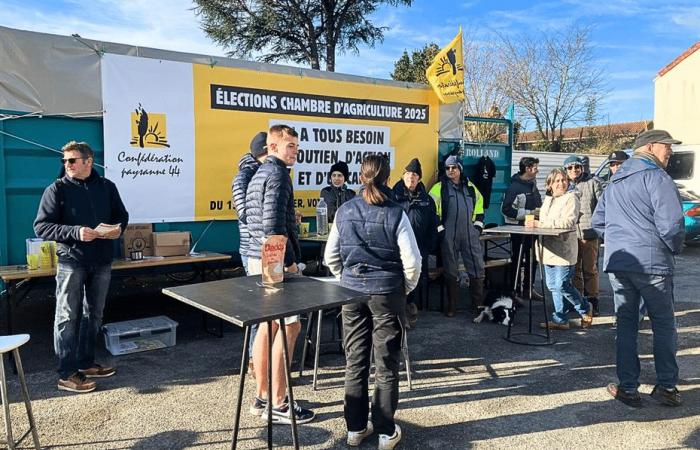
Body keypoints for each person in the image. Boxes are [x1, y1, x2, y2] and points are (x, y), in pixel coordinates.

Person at [324, 154, 421, 450]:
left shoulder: (344, 210)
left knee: (355, 361)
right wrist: (404, 288)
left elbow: (330, 257)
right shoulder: (396, 212)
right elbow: (413, 261)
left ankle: (354, 429)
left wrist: (347, 278)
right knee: (387, 364)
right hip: (387, 293)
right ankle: (384, 432)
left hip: (351, 292)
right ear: (388, 178)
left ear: (360, 176)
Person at [592, 129, 685, 408]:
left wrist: (620, 240)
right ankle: (666, 387)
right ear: (651, 146)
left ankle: (628, 387)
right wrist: (672, 248)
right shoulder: (657, 178)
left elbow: (598, 223)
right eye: (668, 146)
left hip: (621, 264)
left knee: (627, 324)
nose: (671, 152)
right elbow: (672, 226)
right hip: (652, 263)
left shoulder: (615, 180)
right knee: (664, 325)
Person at [34, 141, 129, 393]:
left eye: (72, 160)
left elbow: (122, 215)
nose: (67, 165)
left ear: (89, 162)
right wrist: (75, 232)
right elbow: (41, 226)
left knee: (94, 314)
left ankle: (86, 363)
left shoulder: (107, 187)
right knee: (67, 317)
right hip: (71, 261)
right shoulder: (56, 189)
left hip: (101, 261)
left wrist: (116, 229)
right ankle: (66, 373)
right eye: (65, 161)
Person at [245, 124, 313, 424]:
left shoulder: (260, 173)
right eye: (289, 146)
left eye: (296, 146)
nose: (294, 151)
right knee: (289, 328)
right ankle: (279, 402)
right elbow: (272, 226)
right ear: (272, 147)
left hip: (261, 261)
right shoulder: (277, 175)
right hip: (274, 263)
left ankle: (262, 398)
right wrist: (286, 265)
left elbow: (252, 218)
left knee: (268, 327)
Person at [526, 168, 592, 330]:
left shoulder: (571, 198)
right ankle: (560, 320)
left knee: (562, 284)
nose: (561, 183)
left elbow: (568, 223)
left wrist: (539, 224)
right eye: (556, 181)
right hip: (548, 250)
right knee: (553, 286)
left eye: (563, 180)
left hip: (564, 251)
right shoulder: (548, 200)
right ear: (549, 184)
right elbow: (545, 219)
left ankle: (585, 307)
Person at [428, 155, 485, 317]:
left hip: (469, 234)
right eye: (447, 168)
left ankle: (477, 306)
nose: (451, 170)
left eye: (454, 167)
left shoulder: (471, 188)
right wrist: (440, 230)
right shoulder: (439, 188)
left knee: (477, 267)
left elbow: (480, 207)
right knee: (450, 270)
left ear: (460, 169)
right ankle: (452, 306)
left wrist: (477, 228)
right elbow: (432, 212)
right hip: (449, 235)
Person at [232, 131, 268, 376]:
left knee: (267, 308)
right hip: (253, 248)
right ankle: (255, 361)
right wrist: (268, 221)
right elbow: (244, 213)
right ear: (260, 154)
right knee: (259, 309)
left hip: (264, 246)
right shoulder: (243, 177)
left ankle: (262, 359)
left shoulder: (265, 173)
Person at [392, 158, 439, 328]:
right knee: (397, 281)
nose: (411, 179)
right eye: (409, 175)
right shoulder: (392, 196)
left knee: (415, 280)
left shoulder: (427, 200)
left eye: (415, 176)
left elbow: (434, 224)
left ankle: (411, 310)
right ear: (403, 176)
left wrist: (428, 246)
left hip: (419, 248)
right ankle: (398, 313)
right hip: (396, 249)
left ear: (419, 179)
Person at [563, 155, 603, 316]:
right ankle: (578, 300)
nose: (574, 170)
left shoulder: (593, 183)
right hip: (570, 234)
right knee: (575, 270)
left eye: (577, 167)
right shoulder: (564, 185)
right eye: (570, 167)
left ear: (582, 168)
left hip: (589, 233)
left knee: (590, 269)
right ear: (565, 169)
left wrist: (599, 228)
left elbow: (602, 207)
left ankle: (593, 300)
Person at [501, 156, 542, 299]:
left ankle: (529, 289)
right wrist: (529, 214)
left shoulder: (533, 183)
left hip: (533, 229)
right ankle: (515, 291)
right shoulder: (514, 187)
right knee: (517, 259)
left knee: (532, 259)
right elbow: (506, 209)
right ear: (528, 169)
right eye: (536, 167)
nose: (538, 170)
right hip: (518, 230)